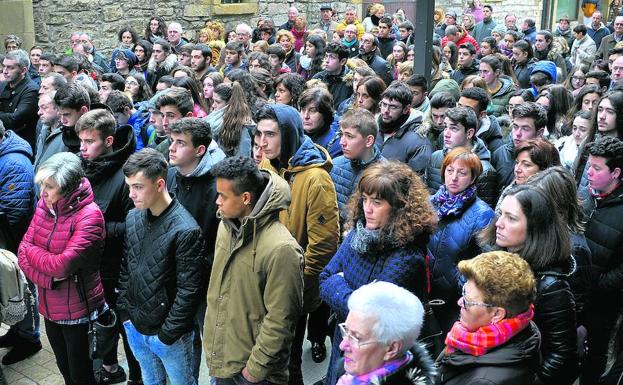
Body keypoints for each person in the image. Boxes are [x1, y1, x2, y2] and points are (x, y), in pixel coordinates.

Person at [320, 160, 437, 385]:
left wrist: (340, 284)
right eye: (364, 199)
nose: (367, 208)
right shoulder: (358, 234)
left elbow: (370, 318)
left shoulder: (407, 257)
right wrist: (351, 293)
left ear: (398, 207)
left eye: (377, 202)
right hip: (345, 340)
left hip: (378, 357)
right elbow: (324, 278)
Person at [256, 103, 339, 385]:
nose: (262, 142)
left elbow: (324, 244)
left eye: (270, 134)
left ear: (289, 134)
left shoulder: (316, 179)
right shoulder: (268, 164)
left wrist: (294, 280)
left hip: (294, 285)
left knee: (289, 362)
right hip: (266, 278)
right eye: (259, 134)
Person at [205, 155, 304, 385]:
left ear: (246, 198)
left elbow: (282, 318)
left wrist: (255, 369)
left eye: (223, 196)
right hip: (224, 360)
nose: (217, 202)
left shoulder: (282, 249)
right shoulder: (226, 225)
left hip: (255, 374)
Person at [118, 148, 206, 385]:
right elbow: (127, 266)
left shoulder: (186, 230)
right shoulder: (133, 217)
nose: (131, 194)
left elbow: (190, 290)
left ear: (159, 184)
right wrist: (125, 314)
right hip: (135, 326)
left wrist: (166, 335)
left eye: (138, 187)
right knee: (151, 381)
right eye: (129, 186)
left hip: (169, 336)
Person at [18, 152, 106, 385]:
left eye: (50, 186)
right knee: (64, 368)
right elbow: (22, 250)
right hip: (49, 305)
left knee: (81, 374)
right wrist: (49, 280)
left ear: (67, 189)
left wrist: (42, 264)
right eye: (42, 185)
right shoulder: (44, 205)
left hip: (77, 311)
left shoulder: (89, 216)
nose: (42, 192)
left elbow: (62, 265)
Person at [481, 185, 579, 385]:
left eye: (511, 218)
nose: (499, 223)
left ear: (535, 226)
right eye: (501, 214)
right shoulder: (496, 259)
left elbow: (562, 356)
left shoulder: (551, 286)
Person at [74, 109, 141, 385]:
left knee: (126, 328)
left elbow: (136, 225)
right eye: (81, 141)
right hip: (94, 265)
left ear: (110, 141)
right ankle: (111, 368)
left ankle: (138, 377)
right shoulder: (83, 166)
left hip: (120, 268)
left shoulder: (129, 174)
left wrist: (96, 227)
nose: (82, 148)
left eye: (89, 141)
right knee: (102, 322)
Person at [166, 118, 225, 382]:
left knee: (212, 343)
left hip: (206, 282)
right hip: (177, 279)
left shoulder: (217, 186)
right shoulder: (172, 176)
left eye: (181, 143)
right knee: (184, 344)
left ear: (200, 150)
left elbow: (221, 239)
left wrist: (200, 267)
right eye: (172, 141)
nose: (172, 148)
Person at [435, 251, 541, 385]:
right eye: (463, 292)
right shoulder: (523, 326)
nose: (460, 302)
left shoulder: (484, 382)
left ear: (497, 314)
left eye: (468, 301)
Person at [429, 148, 494, 333]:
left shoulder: (483, 214)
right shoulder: (430, 203)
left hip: (455, 303)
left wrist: (459, 284)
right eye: (450, 171)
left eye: (462, 172)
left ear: (473, 178)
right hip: (425, 296)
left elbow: (484, 265)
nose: (454, 177)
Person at [580, 136, 623, 385]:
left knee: (593, 359)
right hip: (576, 295)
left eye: (597, 168)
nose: (589, 173)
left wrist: (598, 284)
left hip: (602, 303)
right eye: (589, 166)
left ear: (616, 172)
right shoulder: (585, 196)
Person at [335, 281, 436, 385]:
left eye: (356, 338)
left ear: (391, 349)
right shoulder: (351, 373)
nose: (342, 346)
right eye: (346, 330)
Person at [426, 106, 498, 207]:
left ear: (469, 133)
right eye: (446, 127)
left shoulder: (484, 170)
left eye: (453, 128)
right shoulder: (435, 157)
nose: (446, 134)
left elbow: (483, 216)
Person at [330, 109, 384, 221]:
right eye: (341, 134)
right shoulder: (334, 166)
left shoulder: (385, 175)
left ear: (369, 141)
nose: (342, 142)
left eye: (349, 136)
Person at [375, 82, 431, 175]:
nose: (385, 111)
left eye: (393, 107)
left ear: (406, 109)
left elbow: (416, 184)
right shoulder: (374, 129)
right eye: (384, 104)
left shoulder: (419, 142)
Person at [492, 103, 547, 190]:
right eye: (515, 127)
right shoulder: (499, 154)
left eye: (525, 128)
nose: (518, 134)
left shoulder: (547, 157)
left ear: (540, 133)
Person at [0, 49, 39, 150]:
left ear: (23, 70)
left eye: (10, 68)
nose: (4, 71)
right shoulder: (2, 85)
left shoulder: (32, 90)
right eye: (4, 66)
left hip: (21, 146)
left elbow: (15, 120)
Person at [457, 87, 505, 154]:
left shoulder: (495, 144)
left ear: (482, 115)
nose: (460, 112)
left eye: (468, 109)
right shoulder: (447, 133)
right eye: (459, 106)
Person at [299, 87, 341, 159]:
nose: (306, 116)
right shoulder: (296, 136)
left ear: (325, 113)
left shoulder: (335, 144)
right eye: (303, 110)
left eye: (312, 110)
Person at [312, 42, 353, 109]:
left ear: (342, 61)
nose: (327, 61)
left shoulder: (351, 82)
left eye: (332, 57)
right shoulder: (318, 78)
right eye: (326, 56)